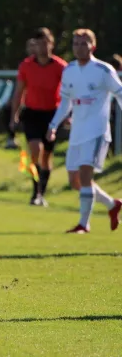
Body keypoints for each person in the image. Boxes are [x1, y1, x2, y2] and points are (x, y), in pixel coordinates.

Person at [46, 29, 122, 234]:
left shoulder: (103, 70)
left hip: (96, 132)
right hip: (77, 133)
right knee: (75, 181)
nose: (79, 47)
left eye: (84, 43)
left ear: (93, 46)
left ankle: (83, 224)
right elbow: (65, 103)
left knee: (86, 176)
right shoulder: (69, 70)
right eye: (76, 43)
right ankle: (112, 204)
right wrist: (53, 125)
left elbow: (119, 93)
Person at [10, 28, 67, 206]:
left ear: (51, 44)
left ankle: (42, 192)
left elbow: (68, 94)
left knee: (47, 157)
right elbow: (19, 92)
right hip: (33, 113)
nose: (42, 47)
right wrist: (14, 115)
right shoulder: (26, 66)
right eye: (39, 43)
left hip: (52, 114)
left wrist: (66, 116)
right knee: (35, 149)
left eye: (45, 42)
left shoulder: (60, 66)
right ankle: (35, 192)